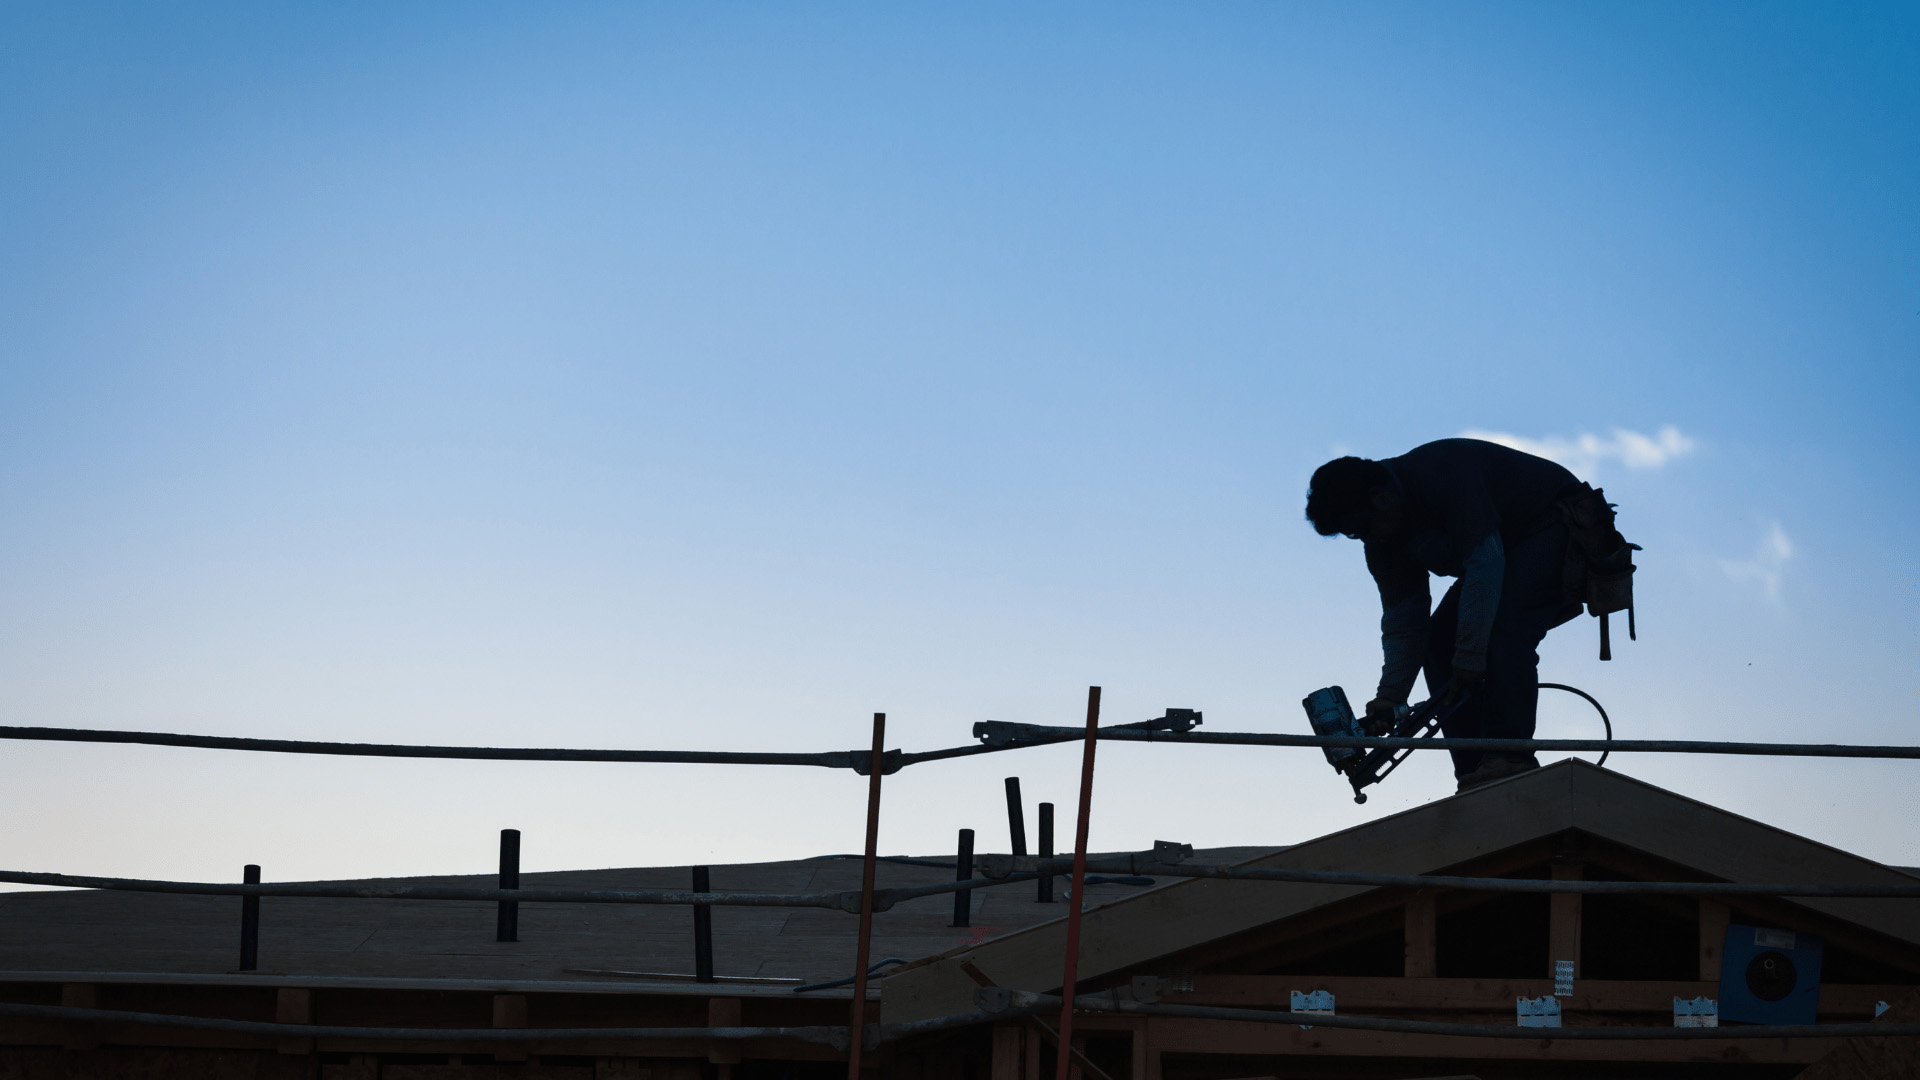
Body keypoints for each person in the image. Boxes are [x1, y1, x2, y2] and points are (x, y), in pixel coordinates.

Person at [1304, 438, 1588, 792]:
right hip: (1501, 551)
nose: (1366, 538)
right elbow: (1404, 623)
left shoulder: (1440, 473)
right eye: (1354, 534)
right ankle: (1474, 767)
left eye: (1363, 526)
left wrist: (1469, 658)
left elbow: (1486, 563)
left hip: (1552, 524)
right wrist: (1390, 695)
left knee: (1502, 631)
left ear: (1379, 496)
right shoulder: (1381, 541)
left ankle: (1509, 756)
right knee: (1440, 642)